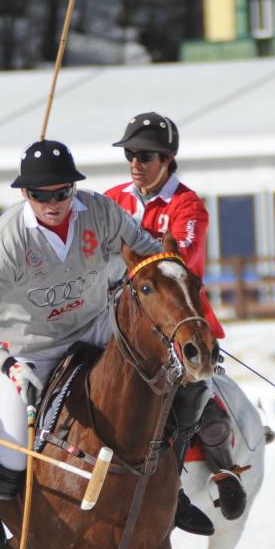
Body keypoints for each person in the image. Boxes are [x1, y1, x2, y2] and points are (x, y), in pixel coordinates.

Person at [0, 139, 213, 549]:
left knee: (177, 384)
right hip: (30, 349)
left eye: (62, 192)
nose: (53, 203)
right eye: (41, 195)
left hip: (95, 326)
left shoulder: (100, 213)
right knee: (11, 463)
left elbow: (146, 254)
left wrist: (176, 306)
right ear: (25, 193)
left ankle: (171, 486)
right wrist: (7, 364)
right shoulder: (4, 243)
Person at [106, 112, 245, 522]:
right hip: (121, 324)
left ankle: (216, 473)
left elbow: (175, 263)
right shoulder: (112, 199)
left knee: (193, 395)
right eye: (130, 153)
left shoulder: (188, 206)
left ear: (167, 159)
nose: (135, 163)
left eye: (145, 155)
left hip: (176, 326)